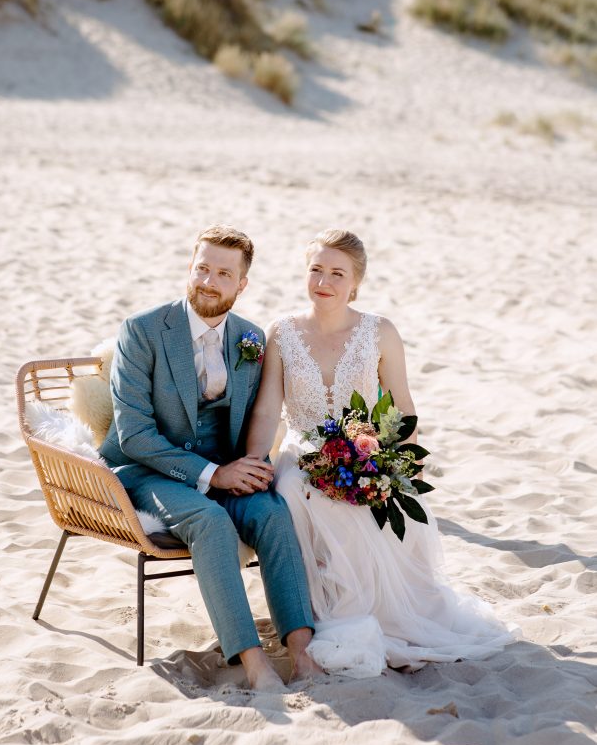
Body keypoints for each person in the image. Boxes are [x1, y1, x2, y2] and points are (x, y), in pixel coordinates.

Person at [246, 228, 517, 677]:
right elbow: (267, 412)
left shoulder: (379, 331)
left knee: (371, 504)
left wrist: (398, 469)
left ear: (355, 283)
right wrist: (257, 464)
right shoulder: (283, 332)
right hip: (303, 448)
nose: (323, 281)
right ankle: (319, 616)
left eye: (337, 273)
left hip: (364, 448)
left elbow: (404, 409)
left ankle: (367, 614)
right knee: (293, 487)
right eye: (315, 270)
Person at [99, 225, 321, 689]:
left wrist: (250, 467)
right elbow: (134, 435)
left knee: (273, 512)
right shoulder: (142, 331)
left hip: (224, 465)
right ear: (190, 268)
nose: (208, 281)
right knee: (210, 521)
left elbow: (259, 413)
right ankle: (251, 659)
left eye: (224, 273)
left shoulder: (251, 338)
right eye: (202, 268)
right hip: (146, 470)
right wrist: (214, 476)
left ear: (242, 284)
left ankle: (302, 650)